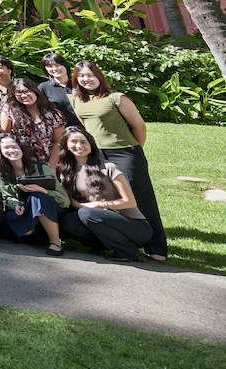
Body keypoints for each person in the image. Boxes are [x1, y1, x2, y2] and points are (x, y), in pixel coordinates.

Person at [70, 61, 167, 260]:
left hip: (125, 153)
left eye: (90, 75)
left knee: (140, 198)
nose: (86, 79)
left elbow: (139, 126)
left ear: (99, 76)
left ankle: (156, 247)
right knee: (104, 195)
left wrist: (134, 151)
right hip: (97, 155)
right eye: (81, 76)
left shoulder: (116, 98)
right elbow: (87, 127)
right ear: (76, 79)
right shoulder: (77, 100)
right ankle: (120, 240)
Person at [56, 126, 154, 261]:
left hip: (135, 226)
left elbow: (129, 202)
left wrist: (97, 205)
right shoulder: (66, 172)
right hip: (99, 218)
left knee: (87, 214)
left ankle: (129, 251)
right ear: (66, 145)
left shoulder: (108, 168)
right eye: (73, 141)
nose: (79, 146)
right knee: (69, 221)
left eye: (83, 141)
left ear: (91, 145)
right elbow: (72, 201)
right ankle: (102, 246)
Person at [0, 132, 66, 254]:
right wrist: (16, 205)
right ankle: (33, 229)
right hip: (23, 208)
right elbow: (6, 196)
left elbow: (64, 200)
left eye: (14, 146)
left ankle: (56, 242)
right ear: (0, 151)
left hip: (47, 206)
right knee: (26, 231)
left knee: (38, 197)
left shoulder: (42, 169)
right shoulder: (1, 171)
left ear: (21, 147)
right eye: (6, 148)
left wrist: (41, 190)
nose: (11, 150)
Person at [0, 78, 67, 164]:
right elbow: (6, 136)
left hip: (48, 161)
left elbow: (58, 141)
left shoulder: (52, 113)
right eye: (18, 93)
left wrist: (52, 166)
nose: (23, 95)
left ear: (35, 91)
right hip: (21, 162)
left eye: (26, 91)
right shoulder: (9, 110)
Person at [37, 52, 79, 124]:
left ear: (65, 65)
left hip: (88, 126)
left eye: (57, 65)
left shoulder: (79, 83)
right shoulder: (44, 88)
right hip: (62, 129)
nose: (55, 68)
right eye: (49, 66)